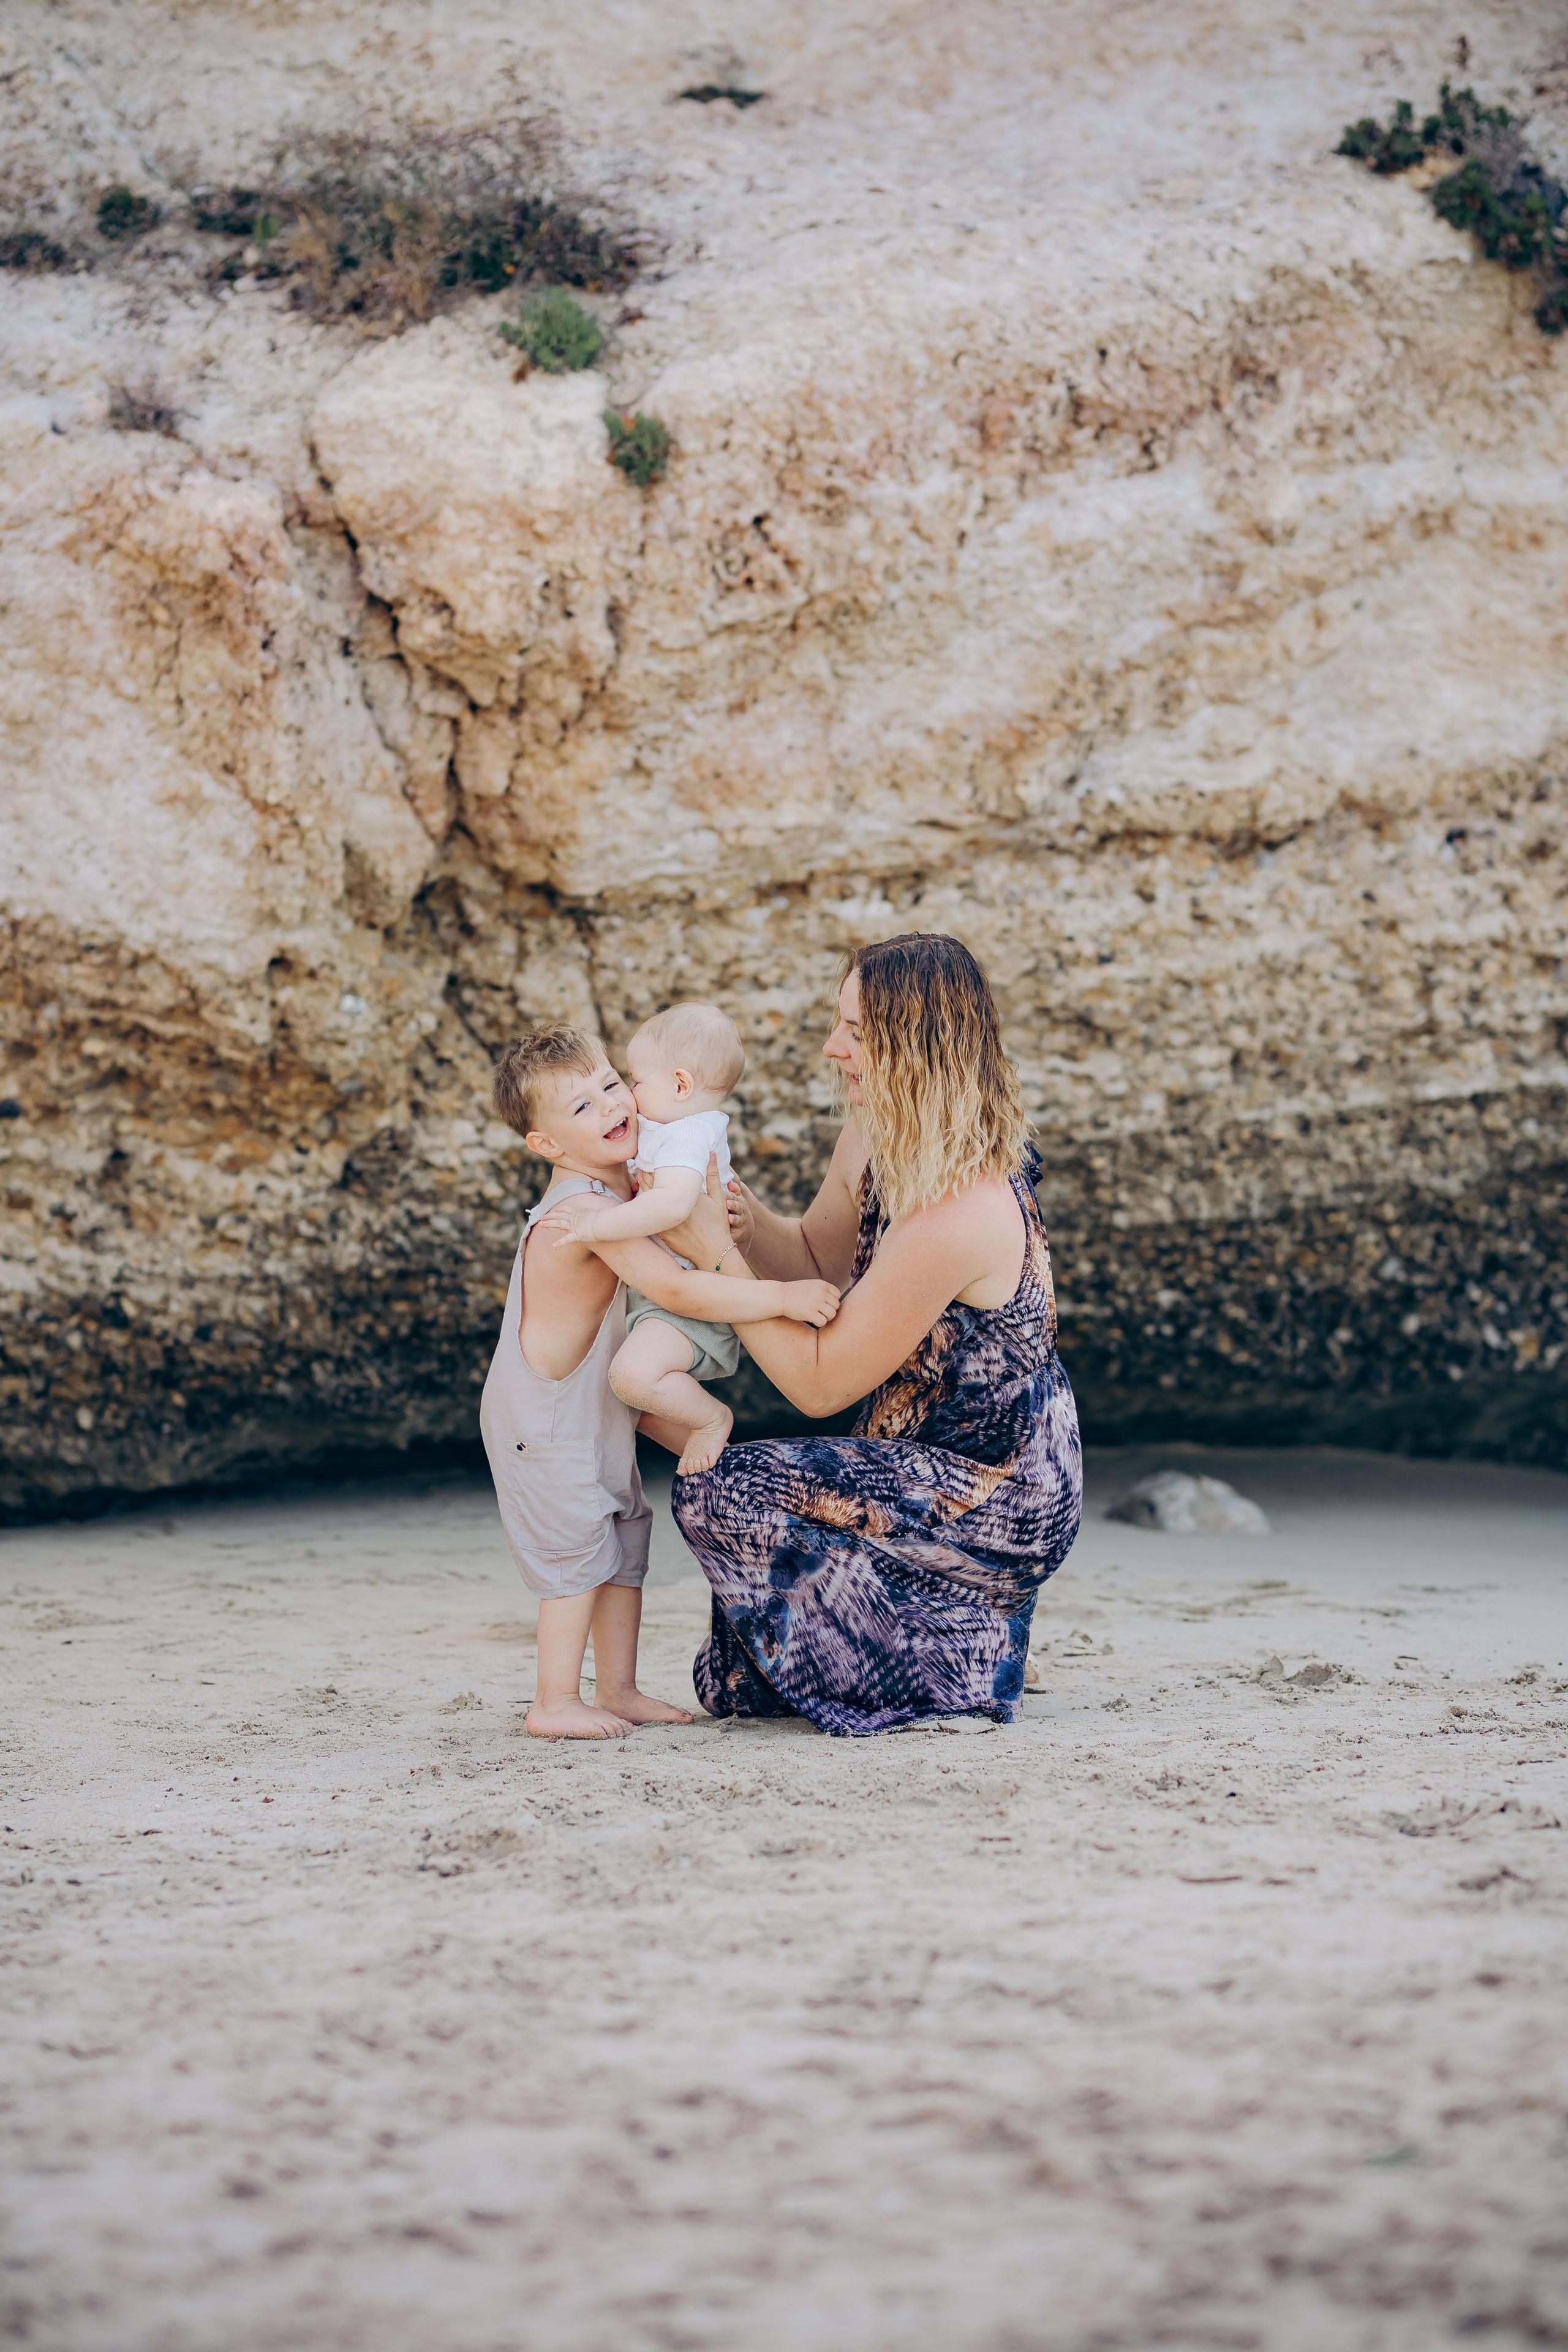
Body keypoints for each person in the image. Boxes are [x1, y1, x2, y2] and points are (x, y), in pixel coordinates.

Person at [657, 932, 1083, 1737]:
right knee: (734, 1681)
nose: (832, 1047)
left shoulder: (963, 1204)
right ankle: (953, 1634)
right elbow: (817, 1256)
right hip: (910, 1454)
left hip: (998, 1486)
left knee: (722, 1488)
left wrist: (710, 1253)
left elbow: (821, 1385)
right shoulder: (877, 1130)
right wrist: (742, 1224)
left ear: (913, 1042)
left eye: (854, 1029)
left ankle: (954, 1662)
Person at [481, 1023, 840, 1741]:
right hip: (544, 1418)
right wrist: (781, 1298)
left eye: (611, 1085)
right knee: (577, 1556)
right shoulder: (588, 1214)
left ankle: (617, 1689)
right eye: (579, 1109)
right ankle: (553, 1700)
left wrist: (733, 1218)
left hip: (594, 1408)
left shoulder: (631, 1185)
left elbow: (691, 1190)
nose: (610, 1106)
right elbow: (679, 1293)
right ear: (546, 1146)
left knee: (622, 1544)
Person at [541, 1002, 746, 1474]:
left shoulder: (688, 1137)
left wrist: (594, 1226)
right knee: (635, 1404)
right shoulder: (671, 1131)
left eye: (633, 1081)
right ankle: (731, 1473)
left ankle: (713, 1420)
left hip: (692, 1296)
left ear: (679, 1085)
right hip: (672, 1295)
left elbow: (672, 1206)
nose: (628, 1096)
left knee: (632, 1378)